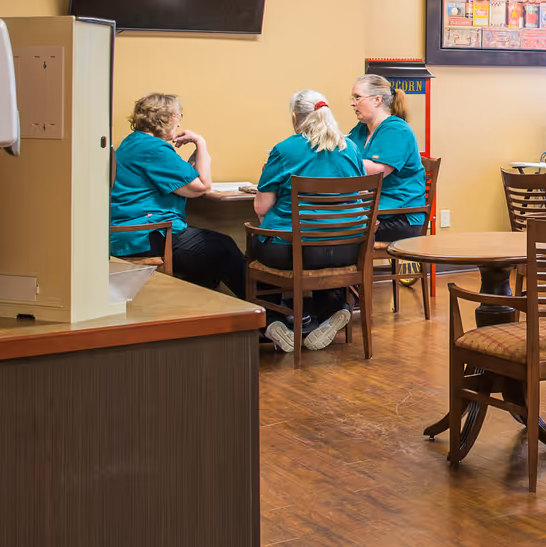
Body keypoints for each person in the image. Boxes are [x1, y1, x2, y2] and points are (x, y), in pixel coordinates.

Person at [250, 89, 369, 353]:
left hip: (296, 250)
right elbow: (359, 193)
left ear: (296, 117)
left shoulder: (284, 149)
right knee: (321, 249)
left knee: (258, 246)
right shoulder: (350, 147)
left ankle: (273, 321)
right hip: (347, 248)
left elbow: (261, 207)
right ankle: (334, 312)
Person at [108, 93, 245, 296]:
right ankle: (268, 315)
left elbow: (181, 182)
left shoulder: (133, 143)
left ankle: (206, 314)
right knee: (221, 246)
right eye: (178, 116)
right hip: (147, 235)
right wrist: (201, 143)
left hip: (129, 233)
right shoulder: (153, 149)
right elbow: (202, 187)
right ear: (167, 118)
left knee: (209, 254)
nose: (179, 124)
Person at [347, 73, 427, 246]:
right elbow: (343, 151)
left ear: (377, 100)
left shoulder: (397, 130)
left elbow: (376, 171)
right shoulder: (361, 129)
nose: (352, 103)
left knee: (333, 231)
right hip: (372, 210)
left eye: (357, 97)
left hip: (400, 218)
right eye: (352, 98)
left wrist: (338, 162)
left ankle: (353, 273)